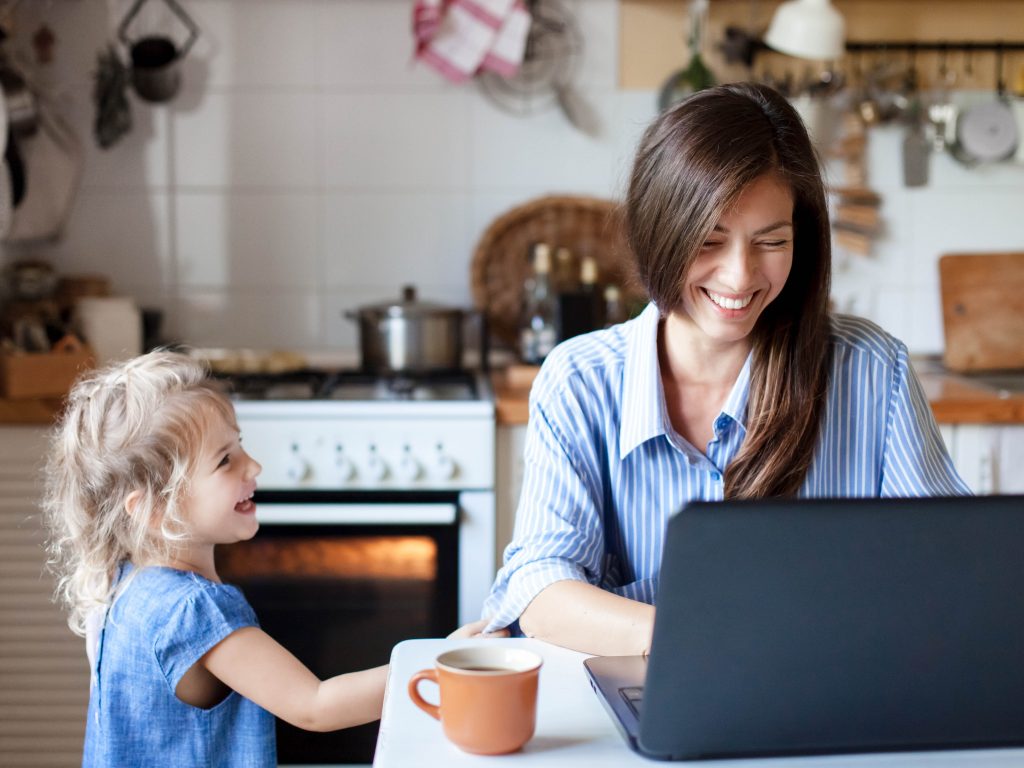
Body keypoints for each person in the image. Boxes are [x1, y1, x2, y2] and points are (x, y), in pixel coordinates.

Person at [482, 82, 969, 657]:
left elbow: (950, 567)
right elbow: (542, 590)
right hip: (641, 695)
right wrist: (712, 640)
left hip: (830, 693)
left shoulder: (872, 372)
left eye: (772, 242)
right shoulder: (579, 380)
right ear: (659, 232)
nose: (740, 277)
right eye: (710, 240)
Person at [42, 350, 503, 766]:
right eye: (225, 460)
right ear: (153, 509)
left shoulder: (123, 584)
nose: (253, 466)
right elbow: (316, 706)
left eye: (239, 445)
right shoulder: (195, 612)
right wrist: (442, 662)